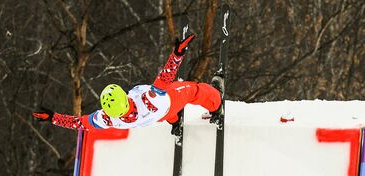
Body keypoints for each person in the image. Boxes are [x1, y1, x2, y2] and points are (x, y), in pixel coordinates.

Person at [32, 33, 222, 132]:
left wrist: (52, 118)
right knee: (193, 90)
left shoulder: (108, 120)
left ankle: (175, 121)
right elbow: (165, 78)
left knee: (163, 115)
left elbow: (78, 123)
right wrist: (177, 54)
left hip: (158, 117)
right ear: (124, 97)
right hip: (170, 101)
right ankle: (217, 103)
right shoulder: (148, 99)